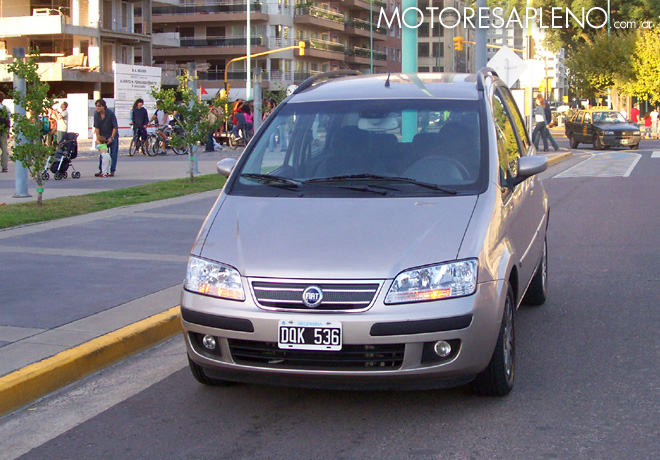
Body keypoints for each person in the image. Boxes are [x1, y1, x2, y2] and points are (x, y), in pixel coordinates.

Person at [93, 99, 119, 177]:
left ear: (103, 106)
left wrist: (111, 137)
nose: (97, 108)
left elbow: (115, 127)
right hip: (103, 137)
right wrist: (98, 138)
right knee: (103, 153)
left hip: (112, 135)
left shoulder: (110, 114)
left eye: (99, 106)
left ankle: (111, 170)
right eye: (96, 106)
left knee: (113, 154)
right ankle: (102, 170)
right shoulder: (96, 115)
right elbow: (97, 127)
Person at [0, 91, 10, 172]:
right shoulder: (6, 108)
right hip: (4, 130)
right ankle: (4, 166)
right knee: (4, 148)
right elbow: (8, 120)